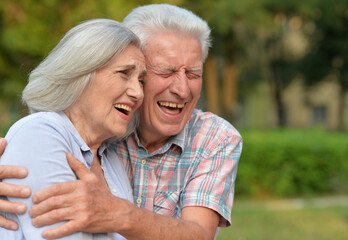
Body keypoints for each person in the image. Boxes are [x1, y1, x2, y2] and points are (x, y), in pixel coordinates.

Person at [0, 4, 242, 240]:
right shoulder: (82, 136)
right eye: (165, 72)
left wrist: (119, 214)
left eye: (193, 74)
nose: (182, 89)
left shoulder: (107, 153)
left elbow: (198, 235)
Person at [0, 18, 146, 240]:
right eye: (124, 73)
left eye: (142, 81)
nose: (138, 92)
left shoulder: (110, 158)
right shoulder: (39, 134)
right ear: (81, 72)